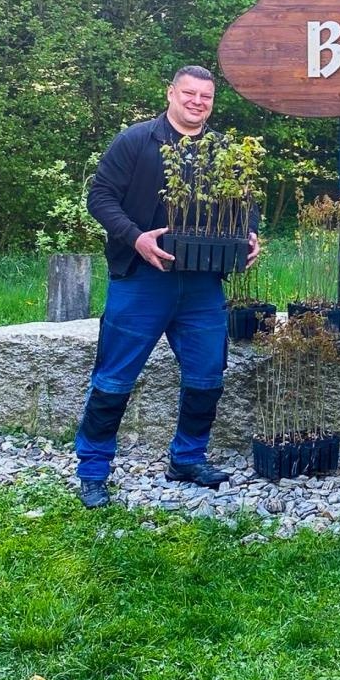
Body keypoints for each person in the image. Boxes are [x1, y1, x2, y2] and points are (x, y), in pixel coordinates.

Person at [73, 65, 261, 509]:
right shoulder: (137, 141)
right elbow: (99, 198)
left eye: (206, 97)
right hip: (141, 281)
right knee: (115, 378)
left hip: (201, 285)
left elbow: (245, 207)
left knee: (207, 376)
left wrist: (250, 235)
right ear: (171, 93)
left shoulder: (223, 152)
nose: (197, 102)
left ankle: (187, 458)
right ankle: (94, 470)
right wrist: (136, 237)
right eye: (190, 94)